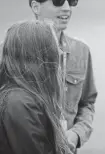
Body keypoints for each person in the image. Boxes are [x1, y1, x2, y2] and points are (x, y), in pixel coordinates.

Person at [26, 0, 98, 152]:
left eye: (71, 2)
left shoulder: (81, 51)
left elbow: (87, 103)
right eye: (58, 1)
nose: (67, 8)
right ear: (36, 7)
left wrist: (76, 134)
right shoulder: (8, 51)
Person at [0, 20, 71, 154]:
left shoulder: (20, 99)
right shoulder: (20, 104)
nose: (60, 52)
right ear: (38, 56)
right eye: (54, 46)